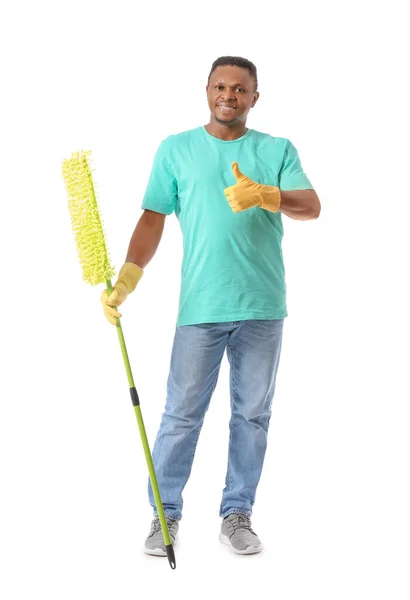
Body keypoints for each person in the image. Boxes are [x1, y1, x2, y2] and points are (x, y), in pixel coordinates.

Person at [101, 56, 321, 556]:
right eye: (220, 86)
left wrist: (266, 194)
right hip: (200, 307)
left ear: (254, 98)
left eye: (240, 89)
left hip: (263, 305)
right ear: (207, 91)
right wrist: (127, 280)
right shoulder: (176, 150)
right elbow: (153, 219)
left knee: (252, 415)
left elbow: (311, 205)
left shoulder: (276, 149)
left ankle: (236, 514)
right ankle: (165, 516)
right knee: (181, 414)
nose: (229, 96)